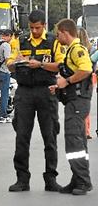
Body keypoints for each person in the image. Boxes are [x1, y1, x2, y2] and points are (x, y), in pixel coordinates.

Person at [7, 9, 64, 192]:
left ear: (44, 26)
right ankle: (22, 179)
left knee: (50, 136)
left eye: (38, 28)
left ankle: (51, 179)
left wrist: (39, 64)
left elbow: (60, 65)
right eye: (32, 28)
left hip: (46, 92)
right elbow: (9, 66)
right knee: (22, 137)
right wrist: (16, 62)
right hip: (25, 93)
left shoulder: (53, 41)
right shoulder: (20, 41)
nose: (35, 31)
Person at [49, 19, 93, 195]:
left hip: (78, 102)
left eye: (58, 33)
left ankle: (83, 181)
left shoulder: (77, 49)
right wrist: (60, 85)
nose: (57, 36)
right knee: (77, 142)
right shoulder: (71, 50)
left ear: (65, 32)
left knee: (74, 143)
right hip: (73, 101)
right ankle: (77, 179)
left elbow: (86, 70)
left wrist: (66, 81)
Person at [78, 28, 93, 139]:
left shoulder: (74, 49)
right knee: (86, 105)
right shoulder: (91, 49)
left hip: (77, 77)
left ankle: (80, 129)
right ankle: (87, 130)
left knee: (77, 105)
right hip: (90, 79)